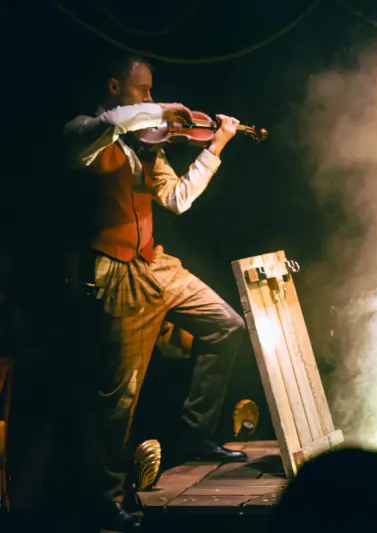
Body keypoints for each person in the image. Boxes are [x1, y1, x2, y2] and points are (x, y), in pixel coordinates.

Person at [62, 56, 247, 531]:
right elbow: (114, 121)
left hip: (156, 265)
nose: (148, 100)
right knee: (119, 399)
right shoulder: (82, 132)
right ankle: (105, 498)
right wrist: (164, 108)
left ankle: (194, 435)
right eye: (142, 91)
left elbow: (178, 199)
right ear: (113, 85)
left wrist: (218, 145)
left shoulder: (148, 149)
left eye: (152, 92)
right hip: (116, 272)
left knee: (226, 326)